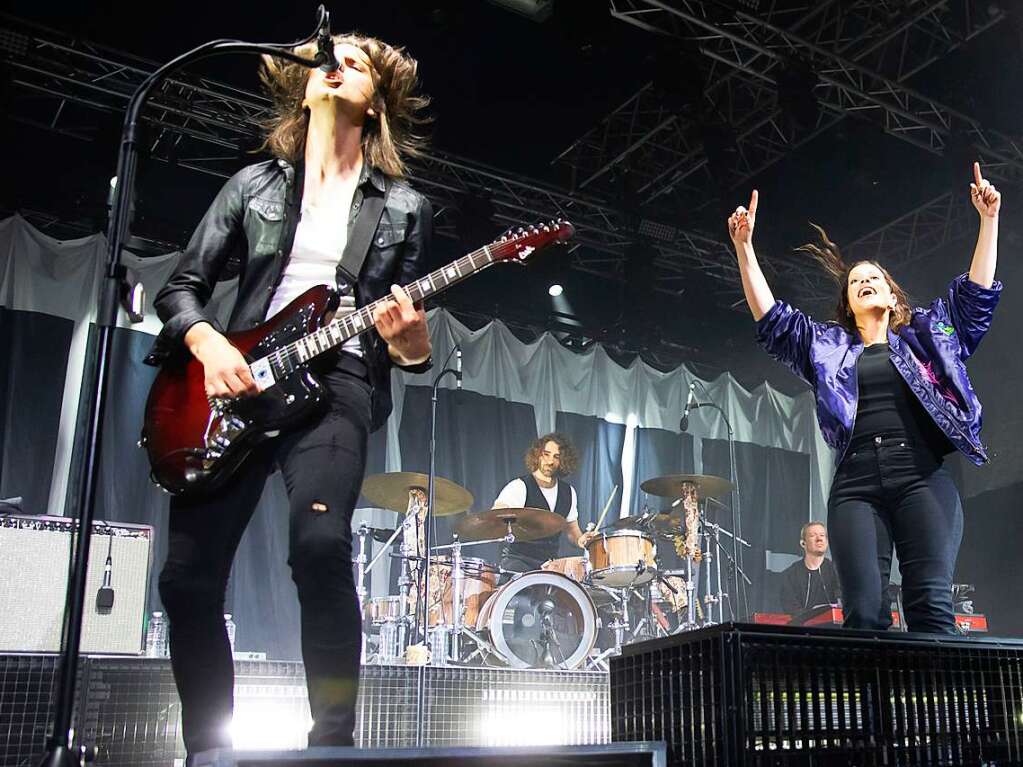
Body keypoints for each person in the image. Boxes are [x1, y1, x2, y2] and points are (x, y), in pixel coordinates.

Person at [145, 33, 434, 759]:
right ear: (304, 86)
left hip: (336, 381)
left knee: (319, 545)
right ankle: (207, 750)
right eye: (329, 61)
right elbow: (180, 289)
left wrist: (412, 344)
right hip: (237, 378)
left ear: (376, 106)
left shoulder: (402, 206)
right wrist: (209, 343)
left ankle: (331, 746)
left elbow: (402, 342)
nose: (337, 67)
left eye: (360, 64)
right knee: (185, 580)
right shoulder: (253, 186)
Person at [729, 162, 1001, 634]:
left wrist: (988, 220)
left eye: (873, 277)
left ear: (893, 296)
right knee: (863, 612)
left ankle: (930, 707)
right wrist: (744, 249)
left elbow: (975, 297)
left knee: (930, 604)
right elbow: (772, 320)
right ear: (848, 304)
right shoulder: (829, 348)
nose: (864, 282)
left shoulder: (927, 335)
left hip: (922, 476)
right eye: (855, 282)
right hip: (856, 483)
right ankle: (875, 709)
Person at [493, 433, 589, 577]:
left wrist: (581, 539)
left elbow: (572, 530)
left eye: (556, 457)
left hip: (549, 565)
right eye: (546, 454)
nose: (550, 461)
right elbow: (495, 517)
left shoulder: (568, 492)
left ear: (563, 461)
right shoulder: (519, 487)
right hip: (518, 563)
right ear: (537, 455)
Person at [779, 522, 841, 613]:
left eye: (822, 535)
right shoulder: (790, 575)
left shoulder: (837, 571)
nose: (819, 539)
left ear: (827, 542)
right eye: (813, 535)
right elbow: (791, 609)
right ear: (803, 543)